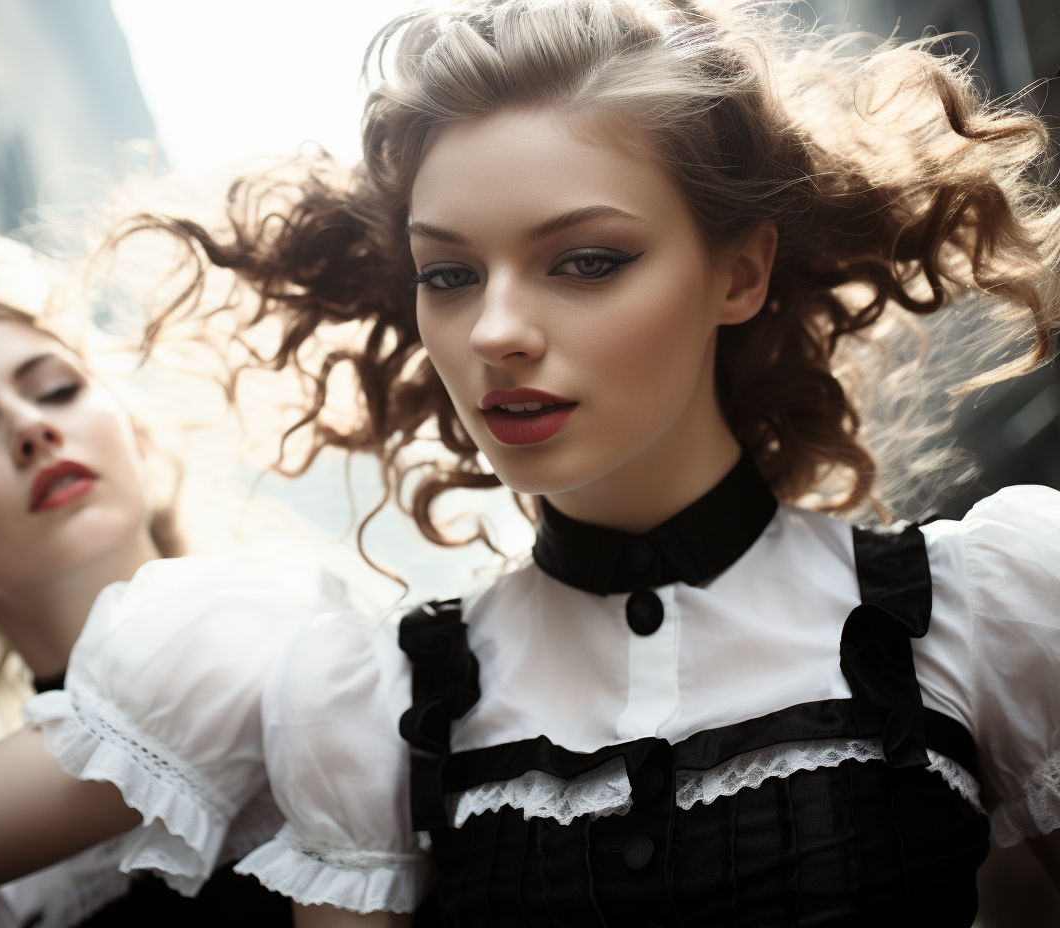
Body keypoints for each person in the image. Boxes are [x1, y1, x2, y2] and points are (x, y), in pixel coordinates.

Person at [138, 2, 1060, 925]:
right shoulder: (370, 707)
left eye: (585, 261)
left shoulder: (979, 615)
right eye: (449, 275)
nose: (495, 332)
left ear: (738, 276)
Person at [0, 235, 346, 927]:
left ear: (132, 435)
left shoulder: (233, 626)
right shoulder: (18, 809)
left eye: (59, 389)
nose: (31, 425)